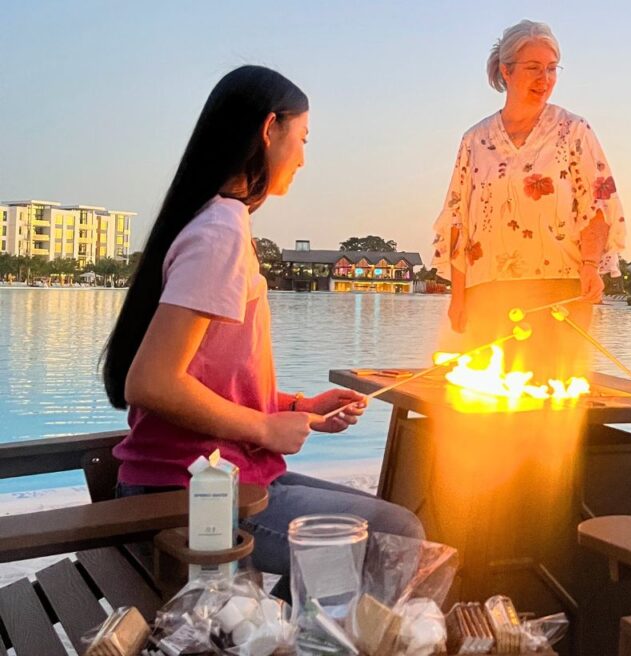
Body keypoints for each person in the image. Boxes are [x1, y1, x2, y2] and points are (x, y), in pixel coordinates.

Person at [101, 65, 423, 599]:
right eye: (302, 139)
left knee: (385, 528)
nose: (303, 158)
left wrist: (297, 406)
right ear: (269, 129)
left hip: (221, 478)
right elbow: (150, 383)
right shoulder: (220, 230)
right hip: (189, 492)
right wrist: (265, 429)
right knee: (395, 534)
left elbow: (209, 376)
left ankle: (281, 634)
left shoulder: (214, 222)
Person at [431, 19, 626, 380]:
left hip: (559, 289)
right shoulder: (475, 140)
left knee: (552, 395)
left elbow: (598, 204)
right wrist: (458, 298)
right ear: (506, 71)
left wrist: (589, 266)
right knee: (489, 402)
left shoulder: (573, 130)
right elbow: (458, 221)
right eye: (534, 68)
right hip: (488, 292)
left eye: (552, 69)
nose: (545, 78)